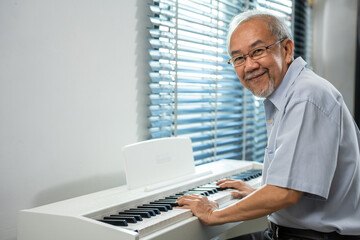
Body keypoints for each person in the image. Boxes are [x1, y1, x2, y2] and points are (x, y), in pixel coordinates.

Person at [176, 10, 360, 240]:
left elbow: (285, 193)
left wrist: (214, 213)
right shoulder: (288, 93)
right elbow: (294, 183)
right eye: (239, 58)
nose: (249, 66)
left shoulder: (306, 95)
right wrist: (259, 193)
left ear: (287, 49)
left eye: (257, 51)